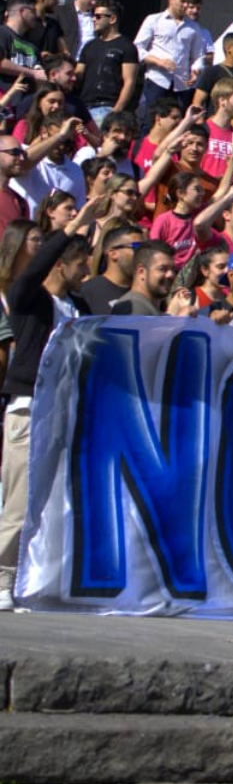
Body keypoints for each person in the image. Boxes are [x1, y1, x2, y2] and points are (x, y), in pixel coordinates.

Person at [0, 224, 95, 610]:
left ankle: (33, 579)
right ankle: (2, 579)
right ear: (59, 265)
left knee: (53, 505)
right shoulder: (30, 301)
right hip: (28, 409)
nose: (86, 273)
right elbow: (30, 271)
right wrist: (66, 229)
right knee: (19, 504)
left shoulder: (79, 308)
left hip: (63, 414)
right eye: (80, 266)